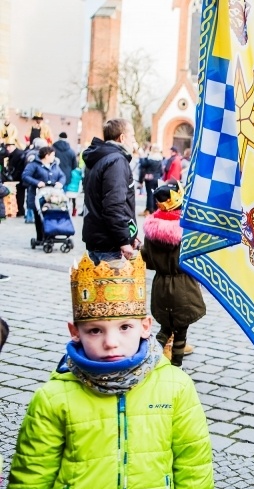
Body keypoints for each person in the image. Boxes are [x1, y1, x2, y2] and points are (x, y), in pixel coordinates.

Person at [4, 252, 214, 489]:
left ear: (145, 326)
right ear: (75, 332)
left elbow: (193, 470)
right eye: (95, 331)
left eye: (125, 327)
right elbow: (30, 482)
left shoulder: (175, 388)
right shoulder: (53, 399)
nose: (111, 342)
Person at [141, 180, 205, 368]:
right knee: (180, 331)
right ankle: (176, 366)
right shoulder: (188, 229)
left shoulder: (151, 228)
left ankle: (150, 360)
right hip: (183, 286)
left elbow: (148, 260)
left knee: (165, 328)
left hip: (160, 286)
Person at [82, 118, 139, 264]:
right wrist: (123, 240)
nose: (134, 140)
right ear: (122, 137)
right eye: (132, 136)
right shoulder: (116, 161)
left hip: (99, 238)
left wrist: (131, 234)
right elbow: (114, 205)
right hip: (110, 244)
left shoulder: (100, 158)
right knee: (112, 279)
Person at [22, 145, 66, 243]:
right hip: (38, 195)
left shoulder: (54, 165)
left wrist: (60, 183)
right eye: (53, 155)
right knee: (39, 217)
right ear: (47, 155)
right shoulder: (34, 164)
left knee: (52, 214)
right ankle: (40, 237)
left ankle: (51, 235)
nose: (54, 157)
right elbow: (25, 176)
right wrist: (37, 182)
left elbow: (62, 176)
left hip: (52, 196)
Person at [53, 132, 80, 215]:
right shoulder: (71, 151)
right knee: (64, 194)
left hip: (54, 174)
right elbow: (74, 166)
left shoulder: (53, 149)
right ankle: (63, 210)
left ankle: (54, 210)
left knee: (54, 194)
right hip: (67, 175)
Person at [139, 144, 165, 216]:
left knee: (150, 194)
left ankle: (150, 210)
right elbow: (161, 171)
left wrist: (142, 156)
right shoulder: (160, 159)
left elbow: (142, 164)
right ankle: (155, 209)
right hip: (157, 178)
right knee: (155, 194)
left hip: (149, 178)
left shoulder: (150, 159)